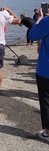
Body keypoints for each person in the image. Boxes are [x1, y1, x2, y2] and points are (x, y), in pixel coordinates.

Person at [29, 8, 49, 143]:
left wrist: (40, 19)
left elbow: (33, 35)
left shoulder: (46, 21)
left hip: (46, 69)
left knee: (46, 99)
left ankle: (48, 132)